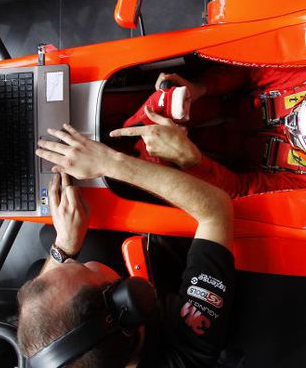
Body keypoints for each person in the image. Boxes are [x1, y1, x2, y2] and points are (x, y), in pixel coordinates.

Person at [18, 123, 235, 368]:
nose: (70, 261)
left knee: (47, 242)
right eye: (83, 267)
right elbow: (217, 210)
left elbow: (52, 333)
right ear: (127, 300)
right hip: (181, 283)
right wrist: (109, 162)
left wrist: (64, 247)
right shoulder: (190, 340)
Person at [110, 64, 306, 198]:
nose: (295, 125)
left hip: (209, 163)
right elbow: (250, 70)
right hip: (208, 107)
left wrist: (190, 160)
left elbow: (242, 190)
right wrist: (201, 87)